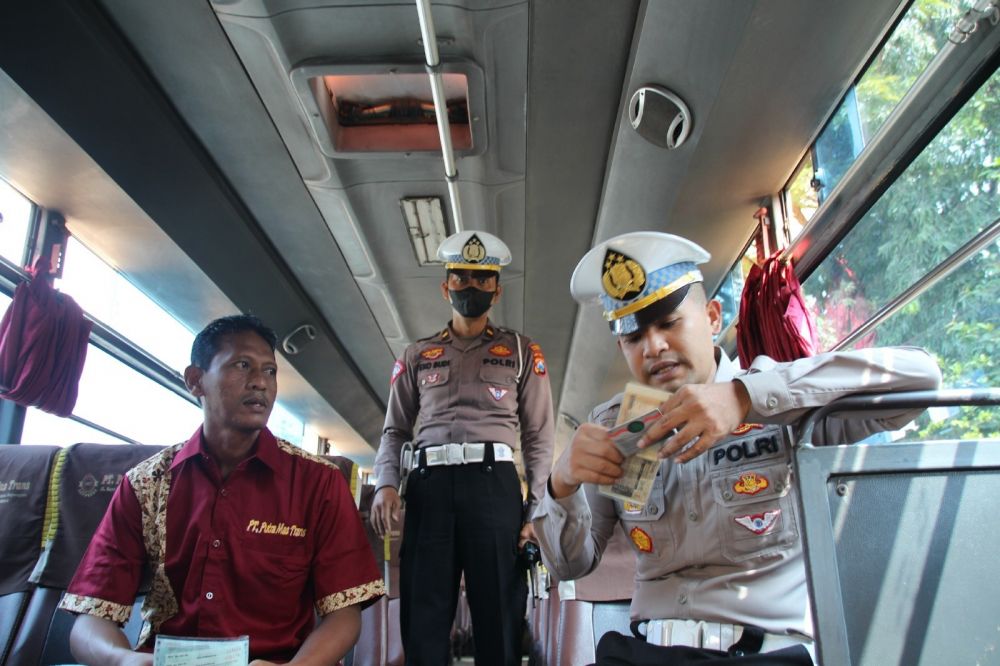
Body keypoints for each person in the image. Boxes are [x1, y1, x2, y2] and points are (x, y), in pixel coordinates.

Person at [532, 231, 942, 665]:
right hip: (647, 651)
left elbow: (920, 378)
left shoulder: (785, 401)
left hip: (763, 653)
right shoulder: (615, 427)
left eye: (669, 323)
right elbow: (570, 565)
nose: (653, 347)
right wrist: (562, 484)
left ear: (713, 317)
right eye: (634, 337)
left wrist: (747, 397)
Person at [59, 314, 384, 666]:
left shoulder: (318, 483)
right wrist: (121, 660)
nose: (260, 382)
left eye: (270, 371)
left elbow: (344, 615)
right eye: (242, 365)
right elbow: (91, 617)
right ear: (195, 380)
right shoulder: (146, 484)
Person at [370, 230, 555, 665]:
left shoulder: (522, 351)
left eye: (482, 279)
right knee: (424, 615)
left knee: (499, 614)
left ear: (497, 290)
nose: (471, 287)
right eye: (461, 278)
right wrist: (385, 484)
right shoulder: (417, 355)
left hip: (494, 486)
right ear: (445, 287)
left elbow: (539, 436)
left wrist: (538, 511)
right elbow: (395, 431)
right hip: (429, 487)